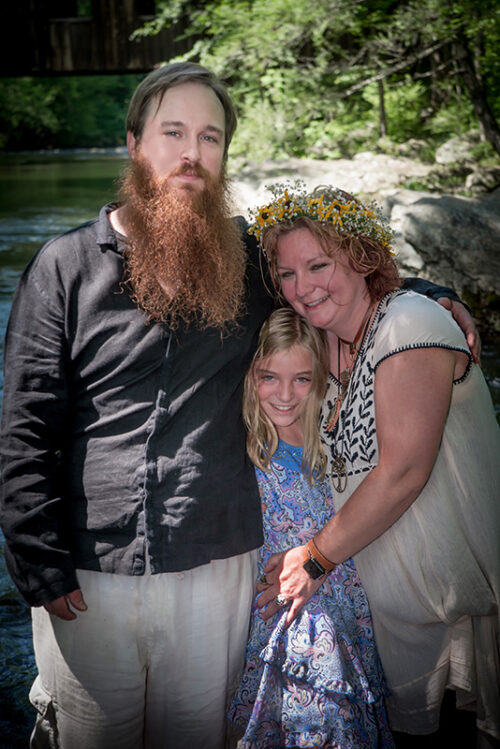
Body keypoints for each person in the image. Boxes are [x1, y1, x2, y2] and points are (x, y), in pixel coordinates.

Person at [0, 62, 480, 748]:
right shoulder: (64, 266)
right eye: (173, 132)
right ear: (134, 143)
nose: (192, 153)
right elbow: (25, 427)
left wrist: (428, 294)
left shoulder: (250, 259)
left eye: (211, 137)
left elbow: (330, 277)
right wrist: (35, 558)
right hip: (88, 568)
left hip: (218, 562)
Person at [249, 181, 500, 747]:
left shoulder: (409, 325)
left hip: (453, 614)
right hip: (385, 623)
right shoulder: (322, 343)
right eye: (287, 274)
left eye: (318, 265)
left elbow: (404, 472)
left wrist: (313, 559)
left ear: (362, 257)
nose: (302, 288)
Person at [227, 307, 395, 748]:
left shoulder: (337, 443)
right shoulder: (246, 448)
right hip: (286, 614)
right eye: (269, 377)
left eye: (301, 379)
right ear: (251, 377)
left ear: (320, 380)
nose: (285, 394)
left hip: (348, 601)